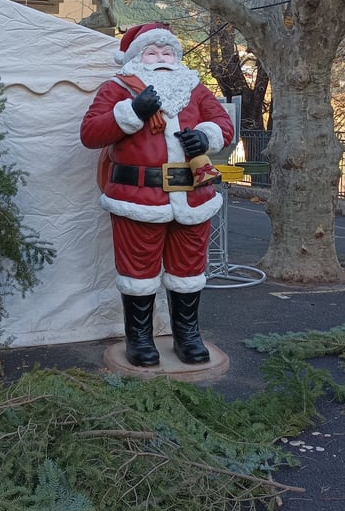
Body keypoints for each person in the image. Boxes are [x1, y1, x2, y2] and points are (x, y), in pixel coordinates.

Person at [81, 23, 235, 367]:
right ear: (136, 57)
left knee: (189, 270)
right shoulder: (118, 89)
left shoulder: (194, 90)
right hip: (138, 195)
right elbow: (90, 133)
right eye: (152, 52)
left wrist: (206, 136)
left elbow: (224, 124)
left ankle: (187, 335)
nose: (161, 58)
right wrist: (132, 111)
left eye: (168, 52)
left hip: (193, 195)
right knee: (138, 273)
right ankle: (139, 338)